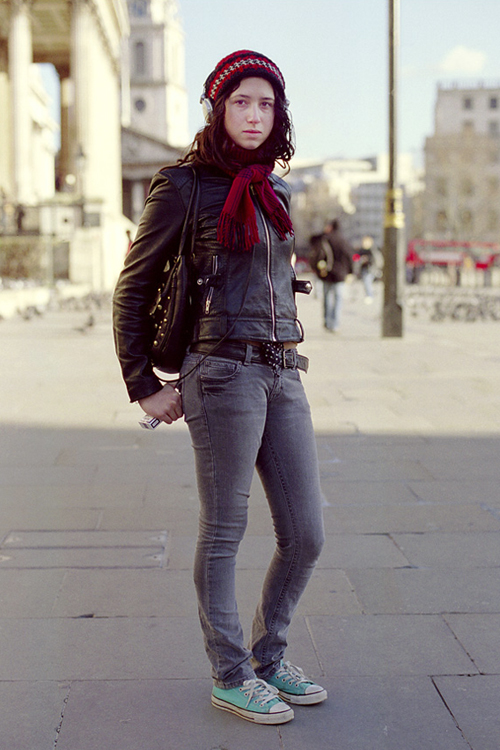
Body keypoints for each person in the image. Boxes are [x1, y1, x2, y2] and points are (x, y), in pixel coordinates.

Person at [113, 50, 326, 725]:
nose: (254, 114)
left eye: (266, 103)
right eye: (241, 102)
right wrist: (142, 383)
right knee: (226, 530)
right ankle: (231, 672)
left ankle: (269, 656)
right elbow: (133, 287)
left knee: (307, 532)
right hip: (221, 371)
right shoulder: (183, 185)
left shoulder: (275, 190)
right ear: (218, 108)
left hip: (282, 371)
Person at [309, 219, 353, 331]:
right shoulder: (343, 240)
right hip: (340, 274)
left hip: (327, 273)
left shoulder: (325, 239)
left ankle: (327, 321)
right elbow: (349, 256)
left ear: (331, 227)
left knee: (327, 298)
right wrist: (350, 272)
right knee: (338, 300)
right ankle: (335, 324)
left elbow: (312, 241)